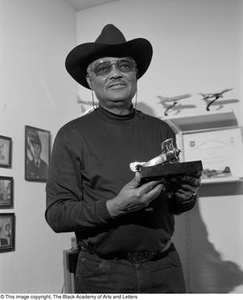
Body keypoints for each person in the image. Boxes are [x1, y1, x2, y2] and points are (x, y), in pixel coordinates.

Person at [45, 24, 201, 293]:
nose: (115, 73)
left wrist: (186, 196)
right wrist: (114, 207)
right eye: (103, 68)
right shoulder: (72, 135)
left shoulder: (161, 130)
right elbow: (57, 215)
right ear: (90, 81)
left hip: (165, 265)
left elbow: (171, 205)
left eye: (124, 65)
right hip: (102, 272)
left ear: (135, 74)